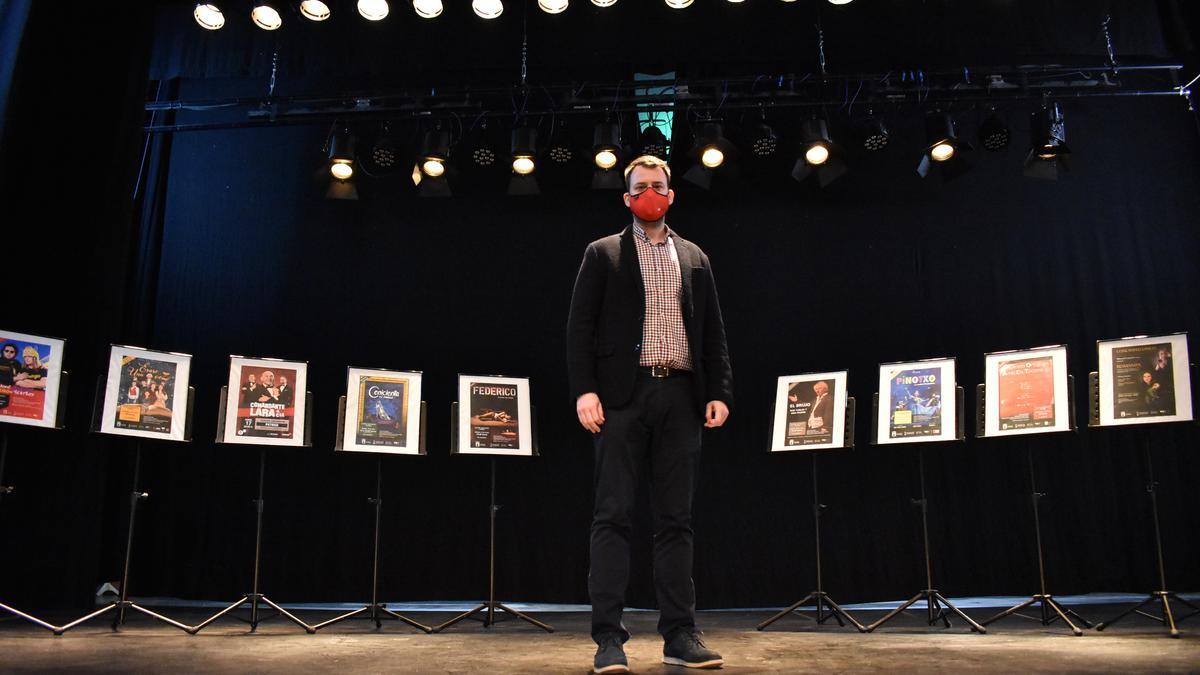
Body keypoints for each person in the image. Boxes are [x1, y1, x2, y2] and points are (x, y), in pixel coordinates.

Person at [567, 155, 733, 673]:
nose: (650, 194)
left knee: (675, 520)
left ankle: (680, 634)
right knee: (612, 516)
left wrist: (720, 391)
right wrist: (584, 391)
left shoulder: (695, 258)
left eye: (658, 186)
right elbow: (579, 330)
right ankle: (609, 640)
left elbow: (713, 334)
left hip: (681, 396)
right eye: (640, 187)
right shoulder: (603, 254)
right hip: (622, 396)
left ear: (671, 193)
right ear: (626, 197)